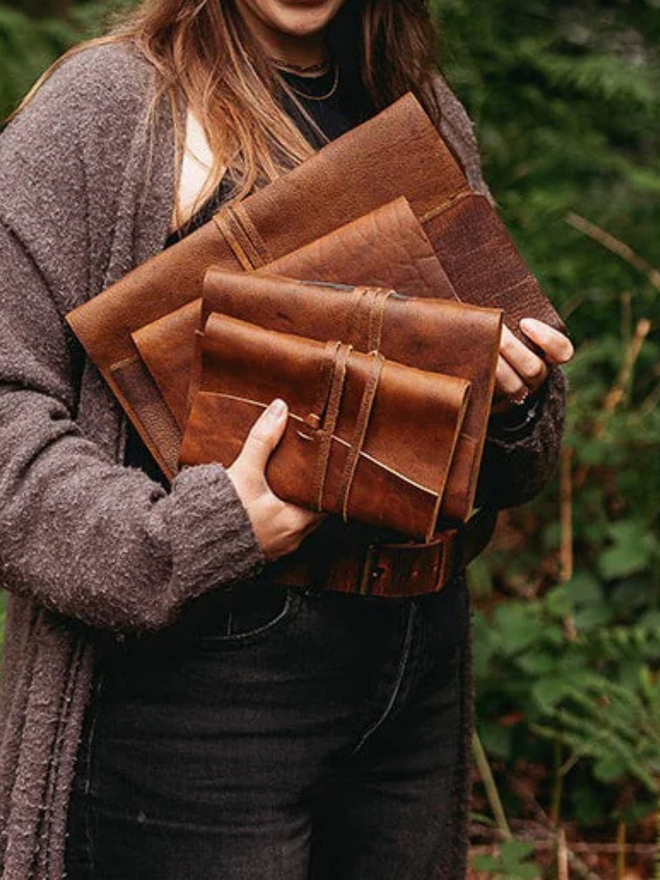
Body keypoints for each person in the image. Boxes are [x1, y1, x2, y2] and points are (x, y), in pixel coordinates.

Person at [0, 1, 573, 878]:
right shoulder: (111, 106)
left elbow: (503, 453)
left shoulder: (416, 101)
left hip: (410, 666)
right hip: (201, 694)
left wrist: (514, 405)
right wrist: (196, 533)